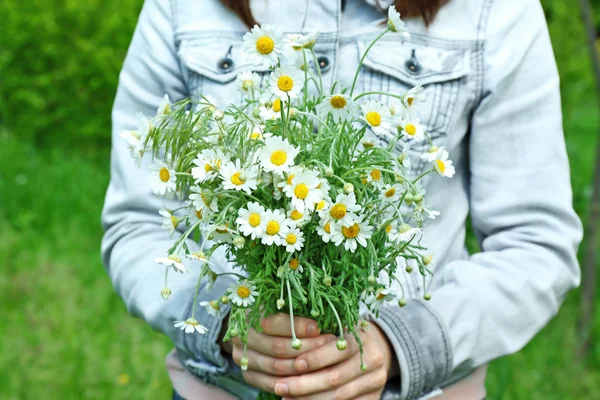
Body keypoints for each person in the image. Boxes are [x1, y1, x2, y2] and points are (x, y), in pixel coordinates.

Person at [101, 0, 583, 399]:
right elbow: (137, 224)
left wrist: (400, 345)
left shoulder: (494, 10)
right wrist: (227, 323)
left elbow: (536, 243)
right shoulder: (181, 8)